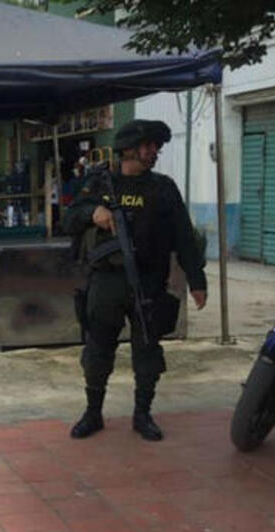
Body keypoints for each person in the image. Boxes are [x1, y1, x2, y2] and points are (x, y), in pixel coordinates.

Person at [62, 119, 207, 442]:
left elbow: (184, 236)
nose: (154, 151)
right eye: (148, 146)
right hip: (107, 282)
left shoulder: (163, 187)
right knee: (98, 349)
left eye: (157, 146)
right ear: (128, 149)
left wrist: (197, 280)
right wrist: (93, 214)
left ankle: (143, 414)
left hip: (149, 281)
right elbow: (68, 220)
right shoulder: (98, 184)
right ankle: (93, 412)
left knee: (147, 351)